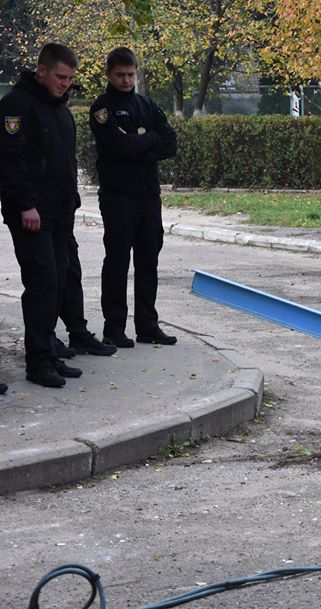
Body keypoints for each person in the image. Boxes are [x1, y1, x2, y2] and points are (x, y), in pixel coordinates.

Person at [0, 43, 84, 387]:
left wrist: (72, 198)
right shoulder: (16, 105)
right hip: (32, 213)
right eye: (61, 77)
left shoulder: (59, 108)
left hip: (61, 210)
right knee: (42, 282)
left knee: (59, 280)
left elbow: (65, 159)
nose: (66, 84)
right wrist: (25, 204)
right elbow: (10, 160)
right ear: (42, 70)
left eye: (70, 79)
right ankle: (38, 362)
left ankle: (49, 351)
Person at [89, 46, 177, 348]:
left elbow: (170, 143)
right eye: (120, 75)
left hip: (148, 195)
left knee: (148, 260)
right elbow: (119, 146)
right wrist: (148, 140)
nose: (126, 80)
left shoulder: (146, 104)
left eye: (131, 74)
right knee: (117, 262)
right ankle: (114, 328)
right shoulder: (102, 109)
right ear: (109, 74)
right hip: (118, 196)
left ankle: (147, 326)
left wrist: (139, 143)